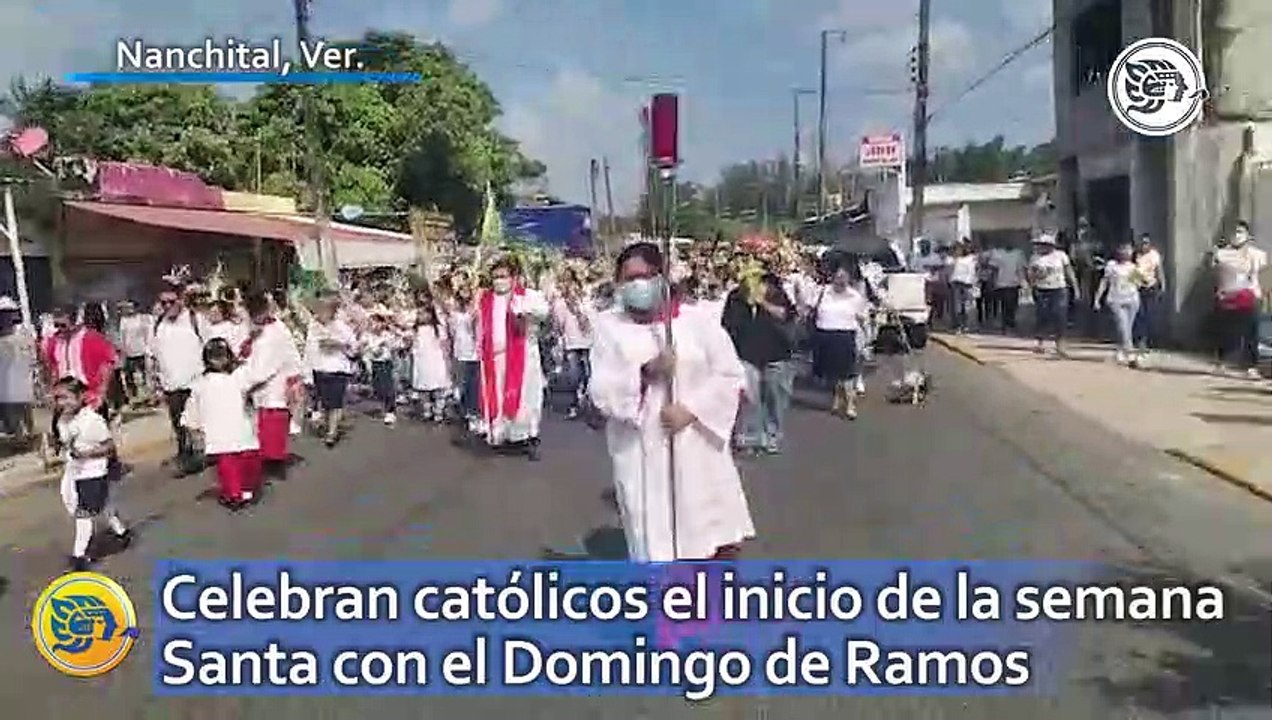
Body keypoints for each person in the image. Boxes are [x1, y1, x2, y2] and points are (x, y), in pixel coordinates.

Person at [589, 241, 755, 562]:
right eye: (629, 278)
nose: (637, 284)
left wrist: (691, 411)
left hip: (697, 451)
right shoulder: (608, 326)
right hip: (641, 454)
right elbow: (601, 390)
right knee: (658, 543)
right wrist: (646, 373)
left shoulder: (699, 321)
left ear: (663, 277)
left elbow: (730, 375)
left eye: (645, 276)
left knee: (707, 539)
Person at [474, 257, 550, 459]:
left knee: (524, 398)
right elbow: (478, 326)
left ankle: (526, 437)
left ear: (513, 277)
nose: (499, 281)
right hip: (495, 358)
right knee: (497, 396)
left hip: (522, 357)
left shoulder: (527, 296)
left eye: (503, 276)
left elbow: (543, 312)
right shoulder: (486, 300)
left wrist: (524, 312)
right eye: (495, 277)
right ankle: (501, 435)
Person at [53, 377, 131, 571]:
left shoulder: (92, 421)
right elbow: (63, 440)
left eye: (67, 397)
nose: (62, 402)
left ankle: (80, 556)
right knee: (100, 505)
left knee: (84, 513)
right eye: (58, 398)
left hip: (93, 471)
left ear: (81, 396)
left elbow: (109, 447)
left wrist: (87, 454)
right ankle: (121, 532)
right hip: (74, 470)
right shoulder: (63, 419)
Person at [721, 268, 797, 456]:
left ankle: (772, 434)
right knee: (750, 397)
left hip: (776, 354)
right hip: (747, 354)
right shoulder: (736, 298)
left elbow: (785, 315)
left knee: (774, 397)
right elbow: (728, 324)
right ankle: (750, 436)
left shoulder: (776, 294)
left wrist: (762, 302)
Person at [181, 339, 262, 510]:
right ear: (207, 359)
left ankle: (245, 491)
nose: (219, 360)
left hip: (240, 428)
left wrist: (249, 353)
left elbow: (256, 373)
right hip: (218, 432)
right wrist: (192, 426)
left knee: (248, 463)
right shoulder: (200, 383)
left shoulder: (238, 376)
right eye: (214, 357)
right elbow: (192, 406)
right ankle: (234, 496)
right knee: (228, 466)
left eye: (222, 356)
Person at [240, 291, 302, 480]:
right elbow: (243, 352)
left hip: (274, 382)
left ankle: (275, 463)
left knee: (273, 423)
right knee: (258, 424)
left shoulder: (278, 330)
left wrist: (293, 378)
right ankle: (263, 459)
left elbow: (284, 357)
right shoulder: (251, 328)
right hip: (256, 385)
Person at [150, 286, 205, 476]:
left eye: (171, 302)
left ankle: (201, 456)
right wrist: (155, 385)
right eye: (163, 302)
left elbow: (210, 346)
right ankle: (186, 455)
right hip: (171, 385)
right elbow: (153, 355)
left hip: (195, 384)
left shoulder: (195, 320)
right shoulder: (158, 324)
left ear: (180, 300)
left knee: (195, 423)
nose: (167, 306)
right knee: (178, 424)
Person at [811, 260, 871, 420]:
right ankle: (837, 399)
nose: (841, 280)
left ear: (849, 279)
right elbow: (809, 307)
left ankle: (850, 405)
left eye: (844, 277)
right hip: (824, 335)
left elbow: (863, 318)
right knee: (834, 374)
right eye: (838, 276)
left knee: (847, 374)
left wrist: (865, 340)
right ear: (832, 277)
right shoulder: (822, 292)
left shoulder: (855, 296)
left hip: (845, 336)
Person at [1210, 220, 1267, 378]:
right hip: (1228, 296)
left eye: (1240, 231)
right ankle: (1221, 361)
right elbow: (1216, 273)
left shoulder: (1256, 254)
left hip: (1248, 296)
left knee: (1250, 333)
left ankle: (1251, 367)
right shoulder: (1221, 253)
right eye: (1235, 231)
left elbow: (1263, 273)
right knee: (1225, 332)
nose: (1237, 235)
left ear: (1247, 235)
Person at [304, 294, 358, 447]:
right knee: (326, 402)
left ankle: (331, 433)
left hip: (337, 370)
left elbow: (354, 348)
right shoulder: (314, 326)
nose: (320, 313)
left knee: (335, 403)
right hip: (320, 369)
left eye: (324, 310)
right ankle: (329, 425)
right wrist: (307, 370)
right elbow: (310, 350)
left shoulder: (342, 327)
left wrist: (338, 344)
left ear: (332, 311)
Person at [1026, 233, 1080, 356]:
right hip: (1042, 289)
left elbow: (1069, 271)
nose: (1042, 248)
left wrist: (1075, 288)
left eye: (1045, 245)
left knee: (1060, 316)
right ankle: (1040, 342)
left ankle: (1060, 344)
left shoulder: (1060, 256)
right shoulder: (1035, 258)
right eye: (1040, 245)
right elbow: (1030, 275)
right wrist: (1036, 277)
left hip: (1059, 289)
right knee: (1042, 316)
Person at [552, 274, 596, 420]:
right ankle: (582, 401)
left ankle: (579, 402)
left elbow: (558, 324)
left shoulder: (579, 301)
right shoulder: (583, 301)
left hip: (580, 342)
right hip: (581, 342)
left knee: (578, 374)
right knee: (582, 373)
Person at [1093, 242, 1142, 365]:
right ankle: (1131, 354)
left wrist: (1141, 278)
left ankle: (1121, 351)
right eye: (1124, 250)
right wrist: (1097, 298)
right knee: (1122, 326)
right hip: (1116, 300)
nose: (1127, 253)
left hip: (1132, 299)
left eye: (1129, 251)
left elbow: (1139, 283)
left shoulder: (1133, 267)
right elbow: (1104, 282)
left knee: (1127, 328)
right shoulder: (1111, 266)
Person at [411, 296, 452, 423]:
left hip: (436, 361)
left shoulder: (438, 329)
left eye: (423, 313)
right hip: (421, 361)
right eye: (419, 313)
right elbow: (412, 345)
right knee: (423, 387)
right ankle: (427, 409)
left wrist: (448, 362)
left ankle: (438, 410)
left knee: (438, 387)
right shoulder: (416, 330)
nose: (420, 316)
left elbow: (445, 346)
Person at [0, 297, 36, 442]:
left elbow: (31, 359)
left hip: (20, 381)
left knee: (23, 409)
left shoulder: (23, 336)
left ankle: (26, 435)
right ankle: (18, 434)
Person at [363, 311, 401, 425]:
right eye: (371, 323)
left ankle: (390, 411)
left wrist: (387, 344)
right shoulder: (367, 336)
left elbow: (396, 345)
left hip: (385, 364)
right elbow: (366, 351)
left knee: (388, 387)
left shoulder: (387, 335)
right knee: (378, 388)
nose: (374, 326)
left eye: (376, 323)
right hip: (374, 364)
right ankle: (385, 406)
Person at [1133, 233, 1165, 359]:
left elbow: (1159, 270)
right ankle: (1140, 341)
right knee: (1140, 315)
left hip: (1151, 287)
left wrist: (1162, 285)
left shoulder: (1154, 255)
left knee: (1149, 315)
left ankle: (1147, 340)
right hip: (1138, 287)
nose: (1144, 245)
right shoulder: (1136, 255)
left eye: (1146, 243)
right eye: (1142, 243)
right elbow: (1132, 271)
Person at [116, 300, 153, 404]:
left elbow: (146, 334)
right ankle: (134, 397)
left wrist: (147, 348)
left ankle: (147, 396)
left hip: (141, 350)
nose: (130, 309)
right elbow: (122, 336)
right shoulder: (123, 320)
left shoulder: (142, 318)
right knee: (130, 377)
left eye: (131, 307)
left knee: (144, 375)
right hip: (129, 352)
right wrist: (122, 351)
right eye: (127, 308)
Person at [990, 242, 1026, 334]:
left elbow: (1022, 268)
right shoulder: (997, 253)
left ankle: (1010, 321)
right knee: (1004, 304)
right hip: (1001, 283)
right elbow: (993, 269)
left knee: (1012, 304)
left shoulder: (1019, 254)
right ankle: (1005, 324)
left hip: (1014, 283)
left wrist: (1023, 281)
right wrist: (993, 282)